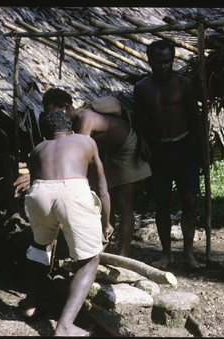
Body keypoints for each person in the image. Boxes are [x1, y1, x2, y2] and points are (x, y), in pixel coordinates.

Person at [23, 110, 113, 336]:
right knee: (90, 259)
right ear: (70, 129)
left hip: (38, 193)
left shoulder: (37, 150)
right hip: (72, 192)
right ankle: (64, 326)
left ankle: (31, 304)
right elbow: (102, 188)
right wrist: (106, 222)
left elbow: (34, 182)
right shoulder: (86, 141)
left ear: (45, 134)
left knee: (39, 246)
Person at [36, 88, 151, 257]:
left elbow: (78, 153)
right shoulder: (69, 126)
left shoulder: (84, 119)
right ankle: (106, 248)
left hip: (125, 148)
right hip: (104, 154)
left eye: (55, 113)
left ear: (67, 107)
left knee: (123, 203)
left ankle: (123, 253)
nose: (53, 118)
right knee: (104, 202)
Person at [133, 39, 207, 269]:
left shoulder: (184, 85)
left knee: (190, 199)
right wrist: (143, 141)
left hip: (185, 148)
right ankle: (166, 254)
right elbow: (137, 118)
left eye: (168, 62)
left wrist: (204, 153)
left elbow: (196, 120)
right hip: (157, 151)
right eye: (159, 62)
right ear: (150, 61)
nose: (164, 66)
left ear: (172, 60)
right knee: (161, 202)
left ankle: (188, 253)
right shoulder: (142, 88)